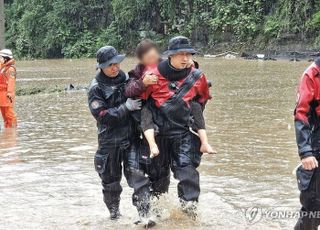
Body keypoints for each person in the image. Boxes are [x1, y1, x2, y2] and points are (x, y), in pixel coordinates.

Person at [139, 36, 211, 218]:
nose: (185, 58)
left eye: (188, 54)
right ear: (170, 55)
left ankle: (189, 216)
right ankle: (156, 215)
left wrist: (188, 115)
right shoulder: (152, 75)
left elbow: (202, 99)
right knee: (158, 181)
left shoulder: (197, 76)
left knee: (188, 175)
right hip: (159, 135)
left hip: (183, 134)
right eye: (180, 54)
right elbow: (143, 101)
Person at [125, 39, 215, 157]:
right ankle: (152, 145)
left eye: (152, 53)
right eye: (145, 54)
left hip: (178, 120)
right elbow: (129, 90)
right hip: (153, 118)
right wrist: (143, 83)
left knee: (195, 106)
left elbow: (199, 93)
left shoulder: (171, 65)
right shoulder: (140, 71)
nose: (150, 57)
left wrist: (192, 65)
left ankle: (204, 142)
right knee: (146, 111)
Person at [87, 46, 143, 220]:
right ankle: (114, 216)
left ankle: (145, 215)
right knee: (111, 183)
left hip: (131, 137)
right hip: (108, 141)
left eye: (117, 63)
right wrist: (125, 107)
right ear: (101, 66)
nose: (115, 67)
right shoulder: (95, 88)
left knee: (138, 176)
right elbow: (102, 116)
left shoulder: (127, 79)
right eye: (110, 64)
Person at [294, 57, 320, 229]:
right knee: (313, 205)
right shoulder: (312, 74)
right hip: (316, 146)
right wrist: (305, 152)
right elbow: (301, 114)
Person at [0, 49, 17, 128]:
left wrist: (9, 93)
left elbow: (11, 82)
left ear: (5, 58)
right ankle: (8, 132)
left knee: (9, 115)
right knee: (4, 116)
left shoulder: (11, 69)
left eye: (1, 57)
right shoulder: (3, 67)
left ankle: (12, 131)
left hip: (7, 95)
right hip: (1, 95)